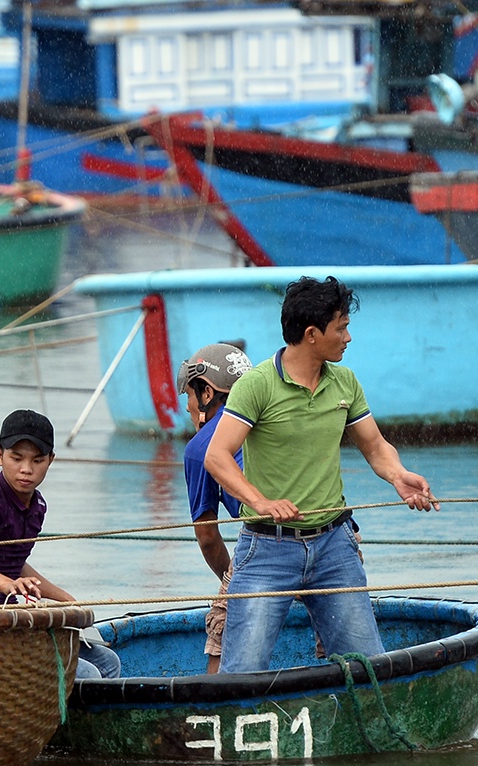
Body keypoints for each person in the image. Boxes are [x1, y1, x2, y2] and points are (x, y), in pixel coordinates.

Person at [204, 276, 436, 673]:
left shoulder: (344, 382)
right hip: (267, 550)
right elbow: (217, 456)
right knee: (241, 673)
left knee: (370, 669)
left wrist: (398, 475)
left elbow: (376, 447)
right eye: (341, 327)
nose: (348, 337)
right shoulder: (257, 386)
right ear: (311, 334)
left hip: (335, 547)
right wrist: (260, 502)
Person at [0, 408, 122, 681]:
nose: (26, 469)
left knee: (108, 662)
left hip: (12, 616)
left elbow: (13, 562)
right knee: (88, 673)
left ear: (50, 460)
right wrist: (8, 585)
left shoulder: (37, 505)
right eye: (16, 458)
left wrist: (65, 598)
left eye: (37, 460)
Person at [180, 342, 252, 673]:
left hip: (266, 541)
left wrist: (231, 581)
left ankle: (213, 710)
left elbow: (207, 537)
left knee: (221, 635)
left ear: (207, 393)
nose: (188, 408)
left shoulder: (201, 447)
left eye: (190, 397)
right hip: (330, 529)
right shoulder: (272, 417)